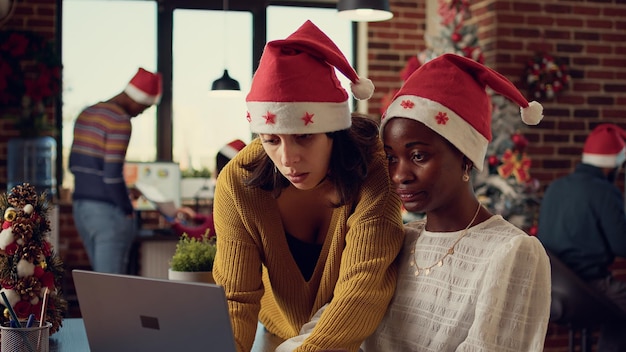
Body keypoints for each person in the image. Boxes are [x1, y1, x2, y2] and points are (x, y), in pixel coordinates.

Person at [212, 20, 405, 352]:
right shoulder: (237, 181)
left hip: (359, 339)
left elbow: (363, 288)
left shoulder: (374, 167)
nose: (288, 159)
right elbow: (236, 298)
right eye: (272, 140)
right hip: (276, 336)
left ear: (333, 130)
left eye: (304, 137)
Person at [363, 53, 552, 351]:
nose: (399, 175)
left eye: (418, 156)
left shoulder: (511, 252)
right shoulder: (400, 240)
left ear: (466, 158)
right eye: (390, 157)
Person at [538, 123, 626, 351]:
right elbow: (621, 246)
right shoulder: (605, 192)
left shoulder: (555, 187)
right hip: (590, 286)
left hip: (553, 287)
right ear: (613, 166)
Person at [69, 67, 162, 274]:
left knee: (100, 284)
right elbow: (111, 174)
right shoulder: (120, 120)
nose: (141, 113)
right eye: (144, 107)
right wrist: (127, 209)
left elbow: (74, 164)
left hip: (81, 209)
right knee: (112, 287)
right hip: (108, 214)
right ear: (136, 99)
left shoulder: (86, 112)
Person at [171, 139, 247, 238]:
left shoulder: (229, 196)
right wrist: (195, 216)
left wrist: (174, 224)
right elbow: (214, 222)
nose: (213, 171)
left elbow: (202, 234)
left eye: (217, 166)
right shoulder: (241, 193)